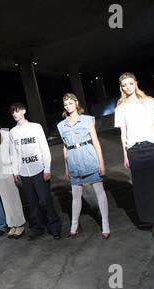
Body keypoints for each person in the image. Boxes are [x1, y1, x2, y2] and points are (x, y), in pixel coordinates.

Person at [114, 72, 154, 239]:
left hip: (153, 147)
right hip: (134, 151)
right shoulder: (120, 108)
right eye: (124, 85)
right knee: (144, 189)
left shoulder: (148, 102)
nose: (128, 87)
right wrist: (125, 154)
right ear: (121, 87)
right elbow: (123, 133)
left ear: (136, 83)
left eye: (130, 83)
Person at [57, 93, 111, 239]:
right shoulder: (61, 125)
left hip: (89, 156)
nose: (68, 106)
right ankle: (74, 227)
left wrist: (101, 162)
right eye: (65, 104)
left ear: (76, 103)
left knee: (99, 191)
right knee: (75, 195)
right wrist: (66, 166)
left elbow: (95, 141)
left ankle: (105, 224)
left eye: (70, 103)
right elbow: (64, 147)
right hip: (73, 160)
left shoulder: (87, 120)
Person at [9, 102, 62, 240]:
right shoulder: (12, 132)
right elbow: (13, 153)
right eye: (13, 111)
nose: (15, 113)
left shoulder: (35, 127)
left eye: (17, 110)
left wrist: (47, 168)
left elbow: (44, 148)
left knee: (46, 201)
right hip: (24, 173)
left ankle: (55, 227)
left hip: (39, 170)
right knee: (32, 203)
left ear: (24, 111)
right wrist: (15, 172)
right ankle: (37, 228)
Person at [0, 117, 27, 239]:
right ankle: (12, 224)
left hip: (9, 172)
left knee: (14, 200)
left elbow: (13, 154)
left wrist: (15, 172)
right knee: (6, 201)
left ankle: (20, 224)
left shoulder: (6, 135)